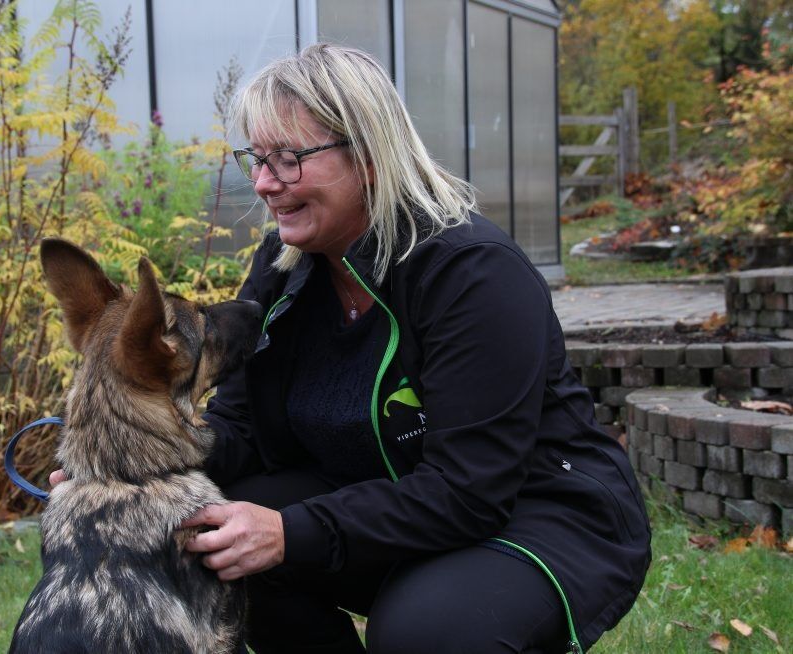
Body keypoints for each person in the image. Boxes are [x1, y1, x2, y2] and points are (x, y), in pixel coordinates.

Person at [53, 43, 650, 653]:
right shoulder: (283, 268)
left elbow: (470, 490)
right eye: (256, 159)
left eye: (287, 159)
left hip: (533, 514)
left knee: (426, 633)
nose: (263, 183)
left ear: (366, 156)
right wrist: (118, 465)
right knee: (213, 536)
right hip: (379, 499)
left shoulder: (472, 274)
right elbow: (241, 428)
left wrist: (290, 532)